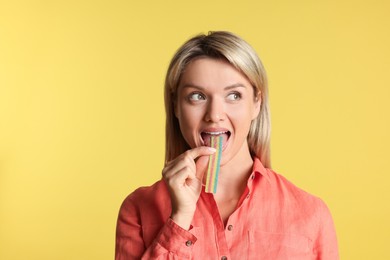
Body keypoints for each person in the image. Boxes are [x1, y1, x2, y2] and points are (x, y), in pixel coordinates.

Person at [115, 31, 339, 259]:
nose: (214, 115)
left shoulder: (311, 213)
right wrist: (180, 218)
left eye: (233, 96)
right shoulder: (138, 209)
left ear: (257, 103)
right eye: (197, 96)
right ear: (175, 106)